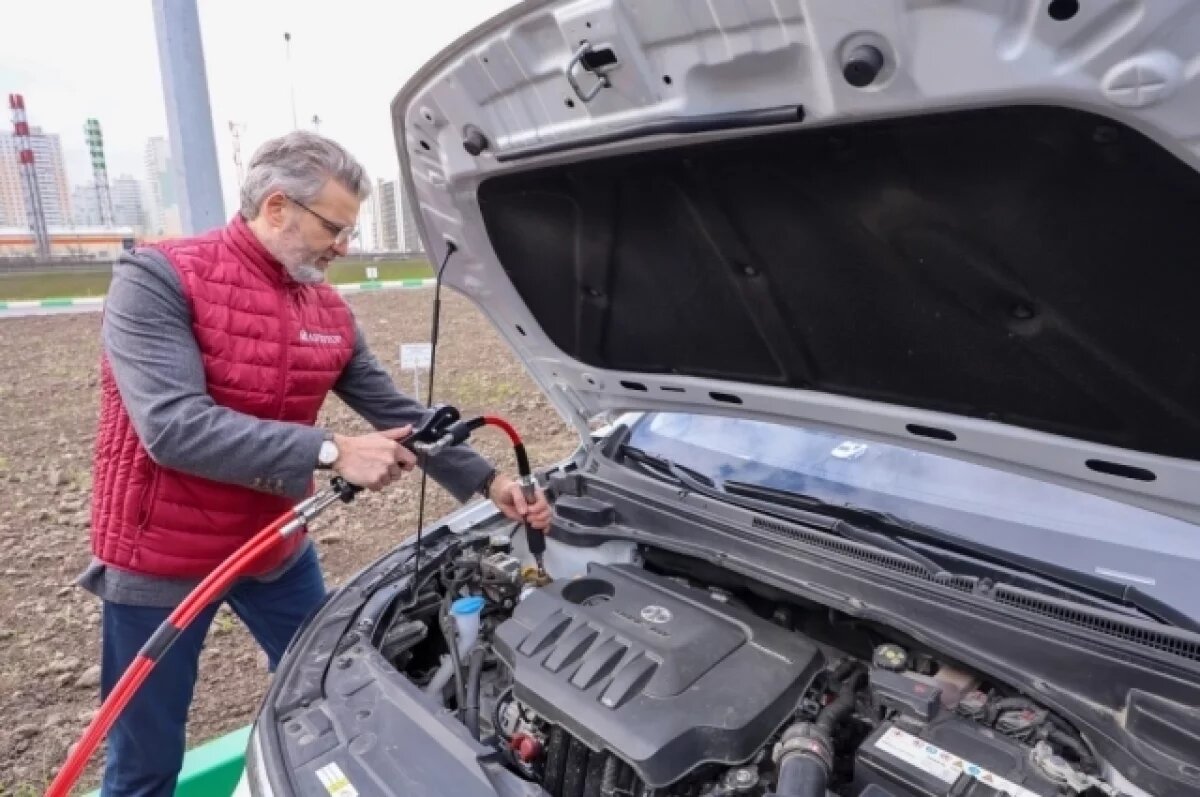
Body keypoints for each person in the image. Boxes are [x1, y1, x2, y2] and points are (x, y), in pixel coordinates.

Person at [78, 130, 552, 797]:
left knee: (332, 687)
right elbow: (172, 427)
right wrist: (331, 450)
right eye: (335, 226)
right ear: (277, 208)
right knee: (146, 756)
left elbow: (398, 412)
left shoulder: (328, 310)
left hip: (275, 547)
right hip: (162, 558)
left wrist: (490, 482)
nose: (344, 245)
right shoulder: (159, 278)